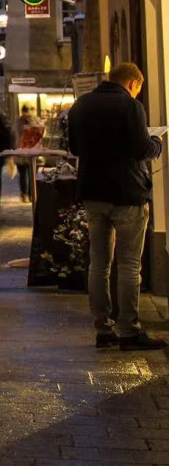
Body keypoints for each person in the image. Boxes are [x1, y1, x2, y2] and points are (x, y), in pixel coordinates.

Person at [68, 63, 166, 351]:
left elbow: (73, 148)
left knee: (98, 263)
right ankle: (129, 330)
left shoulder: (81, 105)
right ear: (134, 83)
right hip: (127, 193)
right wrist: (157, 142)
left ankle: (102, 328)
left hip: (93, 193)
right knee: (129, 265)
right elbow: (141, 150)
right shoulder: (130, 106)